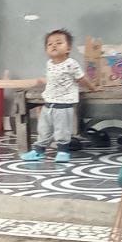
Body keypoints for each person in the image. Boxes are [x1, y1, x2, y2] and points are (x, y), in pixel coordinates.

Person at [22, 28, 95, 162]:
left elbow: (81, 78)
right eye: (50, 44)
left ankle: (62, 151)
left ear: (68, 48)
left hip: (64, 104)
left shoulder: (71, 64)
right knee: (43, 129)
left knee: (62, 130)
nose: (53, 45)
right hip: (48, 104)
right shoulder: (49, 64)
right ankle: (38, 151)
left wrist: (92, 87)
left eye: (59, 43)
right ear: (46, 50)